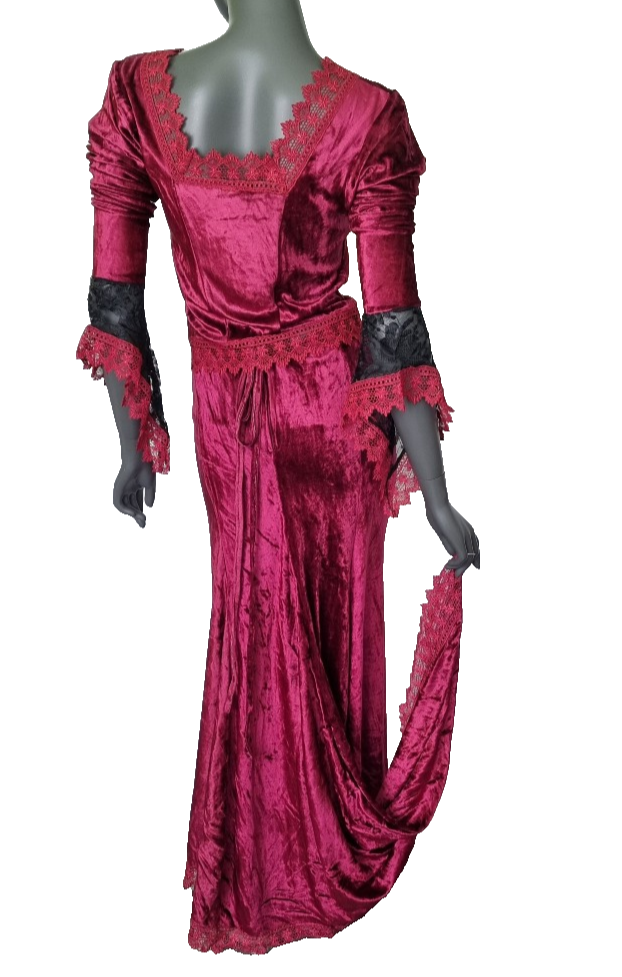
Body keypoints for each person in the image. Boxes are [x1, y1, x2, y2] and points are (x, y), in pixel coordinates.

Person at [76, 0, 480, 955]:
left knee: (250, 609)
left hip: (229, 418)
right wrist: (437, 491)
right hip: (327, 417)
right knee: (326, 618)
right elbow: (393, 323)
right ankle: (311, 854)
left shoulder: (139, 99)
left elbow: (114, 293)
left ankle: (259, 856)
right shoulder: (364, 117)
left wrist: (132, 441)